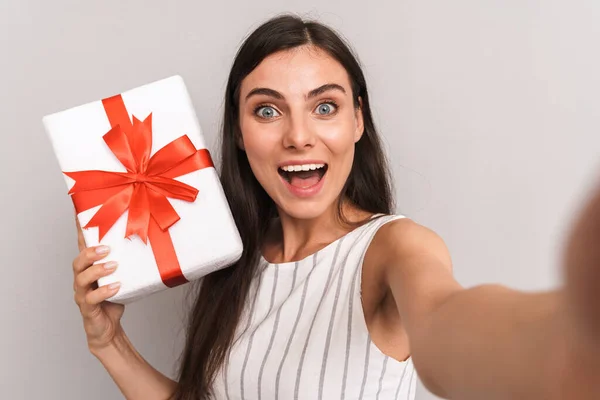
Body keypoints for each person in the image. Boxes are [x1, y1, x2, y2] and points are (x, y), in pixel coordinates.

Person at [70, 13, 600, 400]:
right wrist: (109, 342)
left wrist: (564, 343)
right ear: (238, 133)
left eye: (325, 107)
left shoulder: (394, 247)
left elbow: (447, 322)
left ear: (357, 122)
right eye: (268, 110)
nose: (299, 136)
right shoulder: (235, 265)